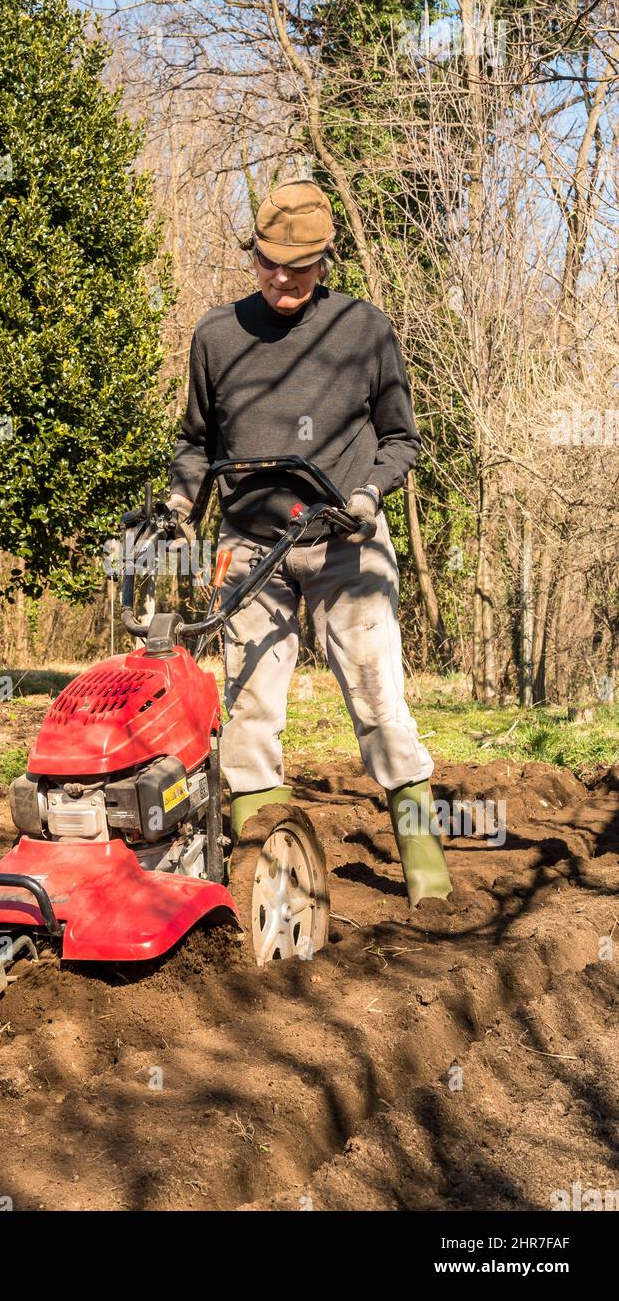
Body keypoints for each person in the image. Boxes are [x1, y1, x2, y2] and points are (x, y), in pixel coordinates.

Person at [167, 178, 451, 907]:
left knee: (379, 702)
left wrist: (368, 494)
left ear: (325, 261)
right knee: (250, 712)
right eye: (270, 263)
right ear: (253, 255)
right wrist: (179, 503)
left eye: (299, 266)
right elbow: (196, 442)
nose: (283, 278)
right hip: (249, 548)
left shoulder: (363, 330)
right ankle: (264, 882)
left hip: (345, 542)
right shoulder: (217, 335)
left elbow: (400, 439)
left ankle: (426, 873)